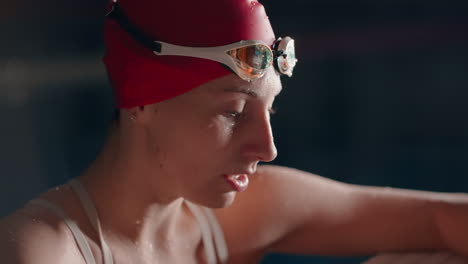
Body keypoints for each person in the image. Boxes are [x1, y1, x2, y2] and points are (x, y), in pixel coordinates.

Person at [1, 0, 468, 263]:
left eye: (270, 111)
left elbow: (439, 219)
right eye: (234, 111)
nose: (267, 148)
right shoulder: (42, 251)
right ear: (142, 100)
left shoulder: (244, 213)